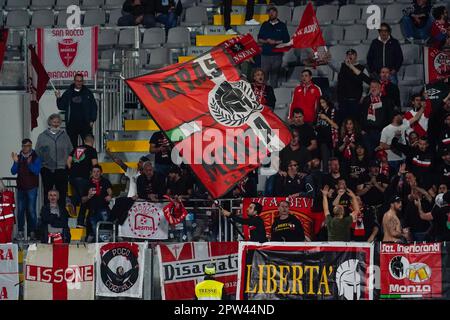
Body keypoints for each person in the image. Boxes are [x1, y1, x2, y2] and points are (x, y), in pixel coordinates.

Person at [35, 114, 73, 208]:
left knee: (62, 194)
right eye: (54, 122)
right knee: (47, 193)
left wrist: (67, 164)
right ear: (49, 123)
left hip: (61, 169)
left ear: (60, 123)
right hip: (47, 169)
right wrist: (42, 166)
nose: (56, 124)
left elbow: (71, 151)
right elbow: (37, 152)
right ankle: (47, 216)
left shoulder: (65, 136)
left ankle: (62, 217)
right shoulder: (42, 136)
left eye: (57, 122)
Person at [55, 73, 98, 148]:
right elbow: (61, 106)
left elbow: (94, 107)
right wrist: (58, 97)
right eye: (77, 81)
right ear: (74, 81)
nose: (79, 83)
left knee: (88, 146)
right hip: (72, 124)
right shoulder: (68, 93)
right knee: (72, 147)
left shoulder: (88, 93)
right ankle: (74, 160)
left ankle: (87, 160)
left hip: (85, 124)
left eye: (81, 81)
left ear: (83, 82)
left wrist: (92, 120)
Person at [10, 139, 41, 241]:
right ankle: (20, 231)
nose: (25, 148)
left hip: (32, 187)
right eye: (23, 146)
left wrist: (29, 164)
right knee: (20, 211)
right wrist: (15, 162)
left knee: (31, 210)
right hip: (21, 188)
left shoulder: (36, 157)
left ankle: (33, 232)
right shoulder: (19, 158)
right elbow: (13, 172)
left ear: (31, 146)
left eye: (27, 146)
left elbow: (36, 172)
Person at [67, 134, 98, 228]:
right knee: (85, 199)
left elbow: (68, 161)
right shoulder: (92, 150)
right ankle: (80, 222)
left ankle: (73, 202)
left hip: (72, 177)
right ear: (93, 141)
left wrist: (71, 170)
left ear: (84, 141)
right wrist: (94, 176)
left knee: (77, 194)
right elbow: (95, 164)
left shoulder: (76, 149)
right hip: (84, 177)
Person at [257, 6, 290, 88]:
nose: (271, 14)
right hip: (265, 55)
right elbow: (259, 39)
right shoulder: (264, 25)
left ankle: (273, 96)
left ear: (276, 13)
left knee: (274, 78)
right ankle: (262, 96)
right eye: (269, 12)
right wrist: (266, 41)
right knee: (263, 77)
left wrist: (276, 42)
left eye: (273, 12)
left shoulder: (282, 25)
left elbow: (286, 39)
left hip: (277, 55)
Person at [333, 48, 368, 123]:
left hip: (355, 100)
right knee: (343, 121)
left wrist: (363, 96)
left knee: (355, 121)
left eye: (352, 54)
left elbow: (366, 84)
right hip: (342, 100)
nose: (350, 56)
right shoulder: (341, 66)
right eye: (348, 54)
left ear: (356, 56)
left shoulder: (362, 68)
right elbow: (331, 64)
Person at [360, 80, 394, 155]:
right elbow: (361, 115)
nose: (373, 89)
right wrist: (362, 130)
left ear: (380, 87)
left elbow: (390, 117)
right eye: (372, 87)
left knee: (380, 155)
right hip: (367, 133)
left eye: (375, 87)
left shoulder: (386, 100)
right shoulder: (366, 100)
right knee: (369, 155)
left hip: (381, 133)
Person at [82, 165, 113, 242]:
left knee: (106, 231)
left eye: (98, 171)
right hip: (92, 211)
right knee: (95, 232)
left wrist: (110, 196)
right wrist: (88, 196)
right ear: (91, 173)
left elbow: (110, 192)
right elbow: (83, 200)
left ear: (101, 172)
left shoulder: (105, 181)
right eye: (94, 172)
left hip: (104, 210)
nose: (96, 173)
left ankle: (105, 246)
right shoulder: (87, 183)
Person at [315, 96, 338, 172]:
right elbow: (317, 126)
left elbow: (336, 126)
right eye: (321, 103)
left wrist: (326, 118)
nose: (322, 105)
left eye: (323, 102)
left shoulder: (333, 111)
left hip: (332, 140)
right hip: (322, 140)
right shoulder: (319, 113)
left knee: (333, 162)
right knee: (325, 162)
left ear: (327, 102)